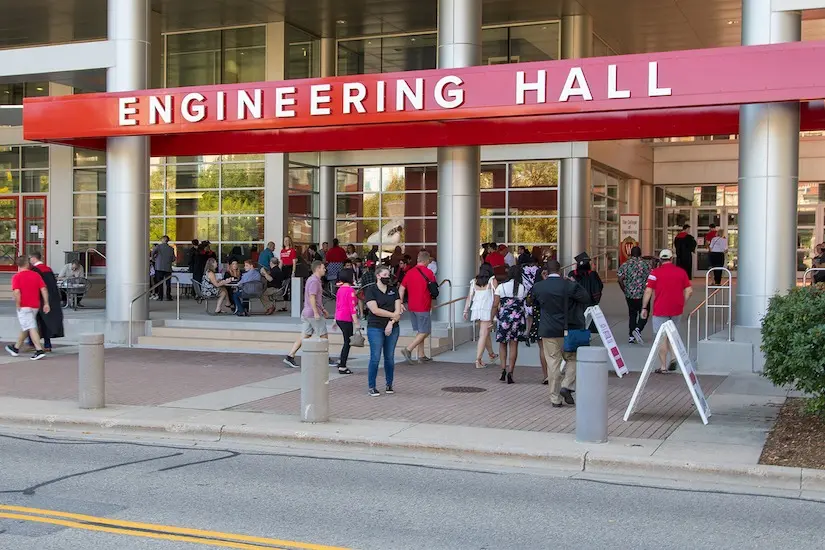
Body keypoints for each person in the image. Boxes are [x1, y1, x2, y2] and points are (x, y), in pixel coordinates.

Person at [530, 260, 593, 407]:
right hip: (569, 328)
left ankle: (555, 397)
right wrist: (573, 282)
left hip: (549, 329)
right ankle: (567, 385)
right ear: (560, 270)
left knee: (553, 362)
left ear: (546, 271)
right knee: (572, 358)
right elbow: (586, 298)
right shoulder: (568, 285)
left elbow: (532, 302)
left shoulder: (539, 286)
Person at [641, 249, 693, 374]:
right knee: (672, 334)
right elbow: (689, 290)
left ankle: (663, 366)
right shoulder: (681, 272)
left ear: (660, 260)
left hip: (660, 309)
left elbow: (648, 291)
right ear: (671, 259)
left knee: (661, 337)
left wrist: (644, 307)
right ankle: (674, 357)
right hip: (676, 309)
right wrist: (682, 303)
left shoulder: (655, 273)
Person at [284, 261, 334, 369]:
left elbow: (315, 298)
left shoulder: (313, 280)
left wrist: (322, 309)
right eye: (323, 268)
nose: (325, 270)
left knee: (305, 335)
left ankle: (290, 356)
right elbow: (312, 297)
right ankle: (326, 358)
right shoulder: (314, 281)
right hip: (312, 313)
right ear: (318, 268)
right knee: (323, 335)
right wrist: (316, 312)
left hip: (308, 313)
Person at [364, 265, 402, 396]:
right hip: (375, 326)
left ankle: (389, 384)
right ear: (378, 276)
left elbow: (398, 310)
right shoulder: (371, 290)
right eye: (384, 275)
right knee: (375, 357)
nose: (387, 277)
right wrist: (393, 315)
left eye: (388, 275)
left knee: (389, 357)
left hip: (393, 327)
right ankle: (372, 386)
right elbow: (375, 310)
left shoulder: (393, 290)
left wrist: (391, 322)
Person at [6, 256, 49, 360]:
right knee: (27, 326)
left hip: (24, 306)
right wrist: (46, 303)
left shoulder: (17, 277)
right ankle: (16, 348)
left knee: (30, 327)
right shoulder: (36, 275)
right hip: (35, 305)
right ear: (27, 264)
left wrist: (18, 304)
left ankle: (39, 350)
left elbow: (17, 292)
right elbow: (43, 289)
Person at [399, 250, 436, 364]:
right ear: (426, 260)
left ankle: (421, 355)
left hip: (412, 306)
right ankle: (408, 349)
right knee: (426, 331)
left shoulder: (409, 272)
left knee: (420, 331)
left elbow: (401, 288)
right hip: (423, 305)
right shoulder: (429, 273)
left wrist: (400, 302)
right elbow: (434, 289)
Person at [493, 265, 527, 384]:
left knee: (502, 344)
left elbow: (495, 304)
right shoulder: (522, 288)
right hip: (518, 318)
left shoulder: (501, 287)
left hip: (504, 318)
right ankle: (511, 371)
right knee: (514, 344)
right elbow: (526, 302)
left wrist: (493, 317)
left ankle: (503, 369)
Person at [463, 263, 499, 369]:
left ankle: (491, 354)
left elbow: (469, 297)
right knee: (483, 334)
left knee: (485, 333)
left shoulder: (474, 281)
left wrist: (465, 310)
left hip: (477, 309)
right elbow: (497, 297)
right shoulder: (492, 280)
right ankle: (478, 360)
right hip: (487, 309)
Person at [28, 252, 64, 353]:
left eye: (30, 258)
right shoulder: (48, 269)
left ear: (34, 258)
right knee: (45, 321)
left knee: (33, 321)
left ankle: (32, 343)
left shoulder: (34, 270)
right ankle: (47, 344)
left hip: (40, 298)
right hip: (52, 298)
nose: (30, 260)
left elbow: (36, 286)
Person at [617, 246, 652, 344]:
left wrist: (624, 289)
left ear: (631, 254)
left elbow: (620, 279)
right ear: (640, 254)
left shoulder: (625, 264)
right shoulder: (646, 264)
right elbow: (651, 277)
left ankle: (631, 337)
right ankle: (638, 329)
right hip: (643, 294)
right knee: (644, 312)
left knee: (632, 314)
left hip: (630, 294)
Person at [569, 252, 603, 333]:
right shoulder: (593, 274)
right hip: (589, 303)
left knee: (576, 325)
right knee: (589, 323)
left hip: (575, 304)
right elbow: (598, 287)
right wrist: (595, 301)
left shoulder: (572, 274)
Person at [334, 268, 359, 375]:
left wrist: (335, 319)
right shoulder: (350, 290)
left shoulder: (340, 289)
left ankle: (341, 361)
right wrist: (356, 322)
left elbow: (337, 304)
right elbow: (352, 308)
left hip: (339, 317)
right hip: (346, 318)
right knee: (347, 342)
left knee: (346, 341)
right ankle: (342, 365)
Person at [152, 235, 176, 301]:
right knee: (168, 283)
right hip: (168, 268)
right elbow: (174, 258)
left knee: (160, 282)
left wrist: (154, 259)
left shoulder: (158, 247)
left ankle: (160, 297)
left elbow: (153, 252)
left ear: (163, 240)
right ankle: (168, 296)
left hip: (159, 267)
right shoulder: (171, 249)